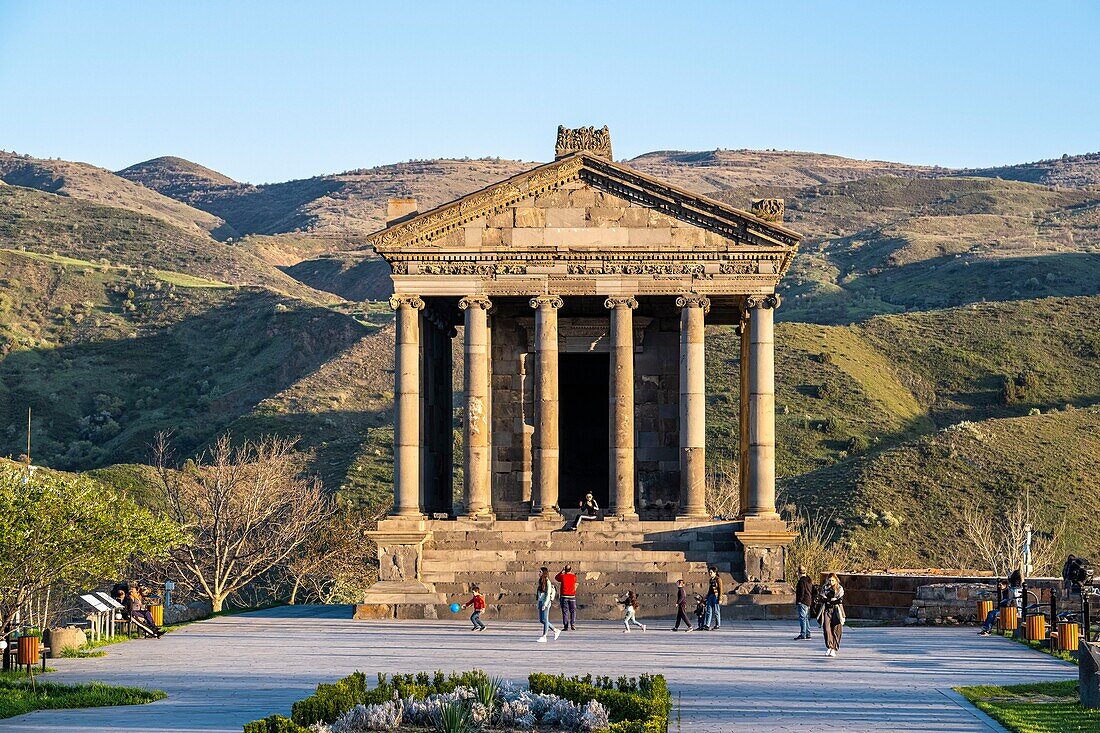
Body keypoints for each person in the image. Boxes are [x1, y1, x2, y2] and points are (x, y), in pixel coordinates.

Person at [815, 573, 845, 657]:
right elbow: (822, 598)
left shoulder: (839, 588)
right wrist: (828, 600)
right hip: (827, 609)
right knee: (826, 627)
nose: (831, 582)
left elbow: (839, 600)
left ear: (836, 580)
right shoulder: (825, 588)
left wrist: (830, 600)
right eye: (829, 580)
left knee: (836, 629)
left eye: (832, 580)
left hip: (836, 609)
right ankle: (829, 646)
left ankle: (834, 648)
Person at [536, 567, 560, 643]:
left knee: (545, 619)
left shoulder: (548, 582)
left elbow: (548, 594)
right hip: (540, 602)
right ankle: (555, 630)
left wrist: (545, 604)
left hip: (545, 603)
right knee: (542, 620)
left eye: (540, 571)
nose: (539, 573)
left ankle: (544, 636)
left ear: (543, 573)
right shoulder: (541, 581)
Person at [555, 565, 578, 631]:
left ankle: (566, 626)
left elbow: (556, 578)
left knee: (565, 611)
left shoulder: (562, 576)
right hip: (572, 596)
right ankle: (572, 624)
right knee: (573, 611)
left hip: (564, 596)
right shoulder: (574, 576)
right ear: (571, 569)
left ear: (564, 569)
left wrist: (561, 572)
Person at [794, 565, 814, 640]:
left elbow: (801, 592)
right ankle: (808, 633)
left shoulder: (801, 581)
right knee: (805, 618)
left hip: (803, 601)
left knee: (802, 618)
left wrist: (799, 600)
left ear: (799, 573)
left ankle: (803, 634)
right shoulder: (809, 580)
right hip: (808, 601)